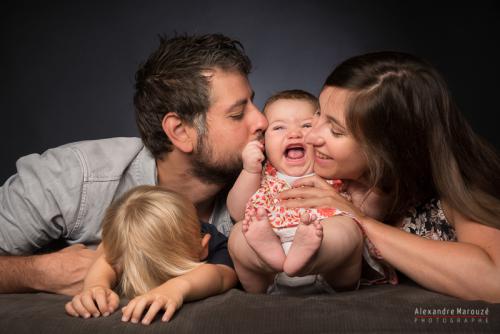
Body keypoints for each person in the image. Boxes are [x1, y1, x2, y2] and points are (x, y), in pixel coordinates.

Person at [0, 33, 267, 295]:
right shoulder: (74, 176)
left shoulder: (273, 182)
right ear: (180, 131)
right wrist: (38, 272)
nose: (262, 122)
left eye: (254, 103)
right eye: (237, 113)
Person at [278, 51, 500, 302]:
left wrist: (363, 222)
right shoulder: (316, 175)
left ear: (390, 148)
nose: (310, 137)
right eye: (319, 113)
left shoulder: (463, 183)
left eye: (336, 131)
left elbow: (493, 281)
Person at [228, 90, 364, 293]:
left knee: (348, 229)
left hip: (327, 265)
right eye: (279, 127)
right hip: (269, 269)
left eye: (307, 125)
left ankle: (308, 256)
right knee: (238, 233)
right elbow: (238, 212)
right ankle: (271, 257)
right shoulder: (263, 175)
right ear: (263, 143)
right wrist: (249, 170)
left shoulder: (333, 169)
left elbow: (365, 210)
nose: (294, 133)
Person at [65, 185, 236, 325]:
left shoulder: (211, 240)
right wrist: (95, 286)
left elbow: (221, 274)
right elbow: (107, 259)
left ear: (203, 248)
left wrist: (176, 287)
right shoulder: (120, 248)